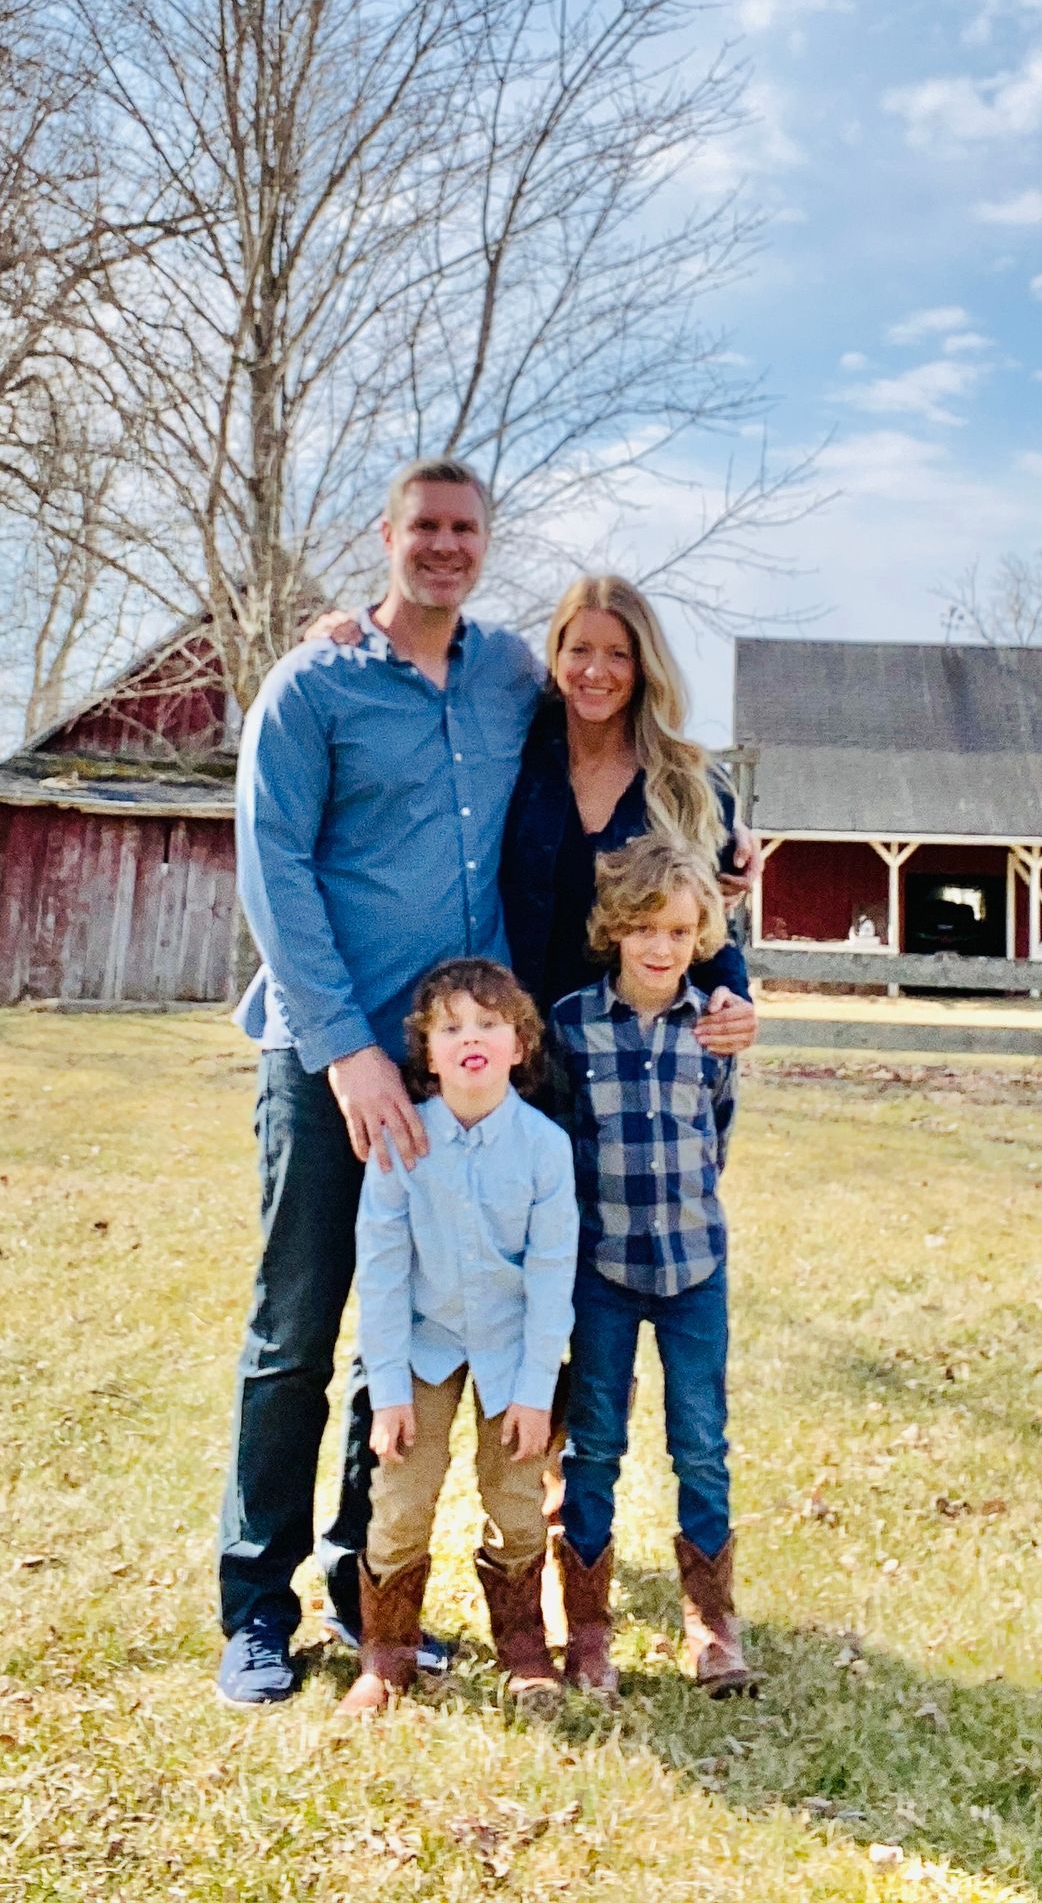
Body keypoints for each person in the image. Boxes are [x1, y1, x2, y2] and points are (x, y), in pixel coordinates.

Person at [216, 457, 546, 1708]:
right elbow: (273, 869)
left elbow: (628, 724)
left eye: (466, 530)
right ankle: (257, 1609)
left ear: (485, 542)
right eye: (425, 528)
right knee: (296, 1333)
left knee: (400, 1343)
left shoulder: (512, 676)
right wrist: (348, 1048)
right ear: (387, 536)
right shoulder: (313, 686)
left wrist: (721, 825)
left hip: (460, 1071)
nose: (446, 547)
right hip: (325, 1059)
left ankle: (372, 1598)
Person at [336, 959, 577, 1719]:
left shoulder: (544, 1148)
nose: (470, 1038)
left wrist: (536, 1393)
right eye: (450, 1028)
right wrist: (390, 1390)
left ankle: (524, 1648)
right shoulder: (404, 1142)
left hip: (513, 1347)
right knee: (403, 1493)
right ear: (427, 1052)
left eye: (489, 1024)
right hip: (425, 1343)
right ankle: (387, 1654)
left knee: (515, 1494)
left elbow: (550, 1279)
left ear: (520, 1044)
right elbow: (380, 1270)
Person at [549, 831, 758, 1701]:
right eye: (642, 929)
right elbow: (560, 1137)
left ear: (701, 931)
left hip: (693, 1268)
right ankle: (588, 1629)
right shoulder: (570, 1024)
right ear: (613, 930)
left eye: (677, 931)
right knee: (595, 1443)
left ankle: (711, 1623)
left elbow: (719, 1129)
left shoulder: (712, 1027)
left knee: (701, 1444)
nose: (661, 947)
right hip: (602, 1265)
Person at [500, 574, 757, 1051]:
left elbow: (709, 924)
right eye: (579, 649)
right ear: (555, 656)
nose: (596, 671)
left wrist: (733, 996)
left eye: (618, 653)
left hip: (632, 1058)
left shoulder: (689, 786)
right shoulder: (512, 756)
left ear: (643, 665)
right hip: (515, 1052)